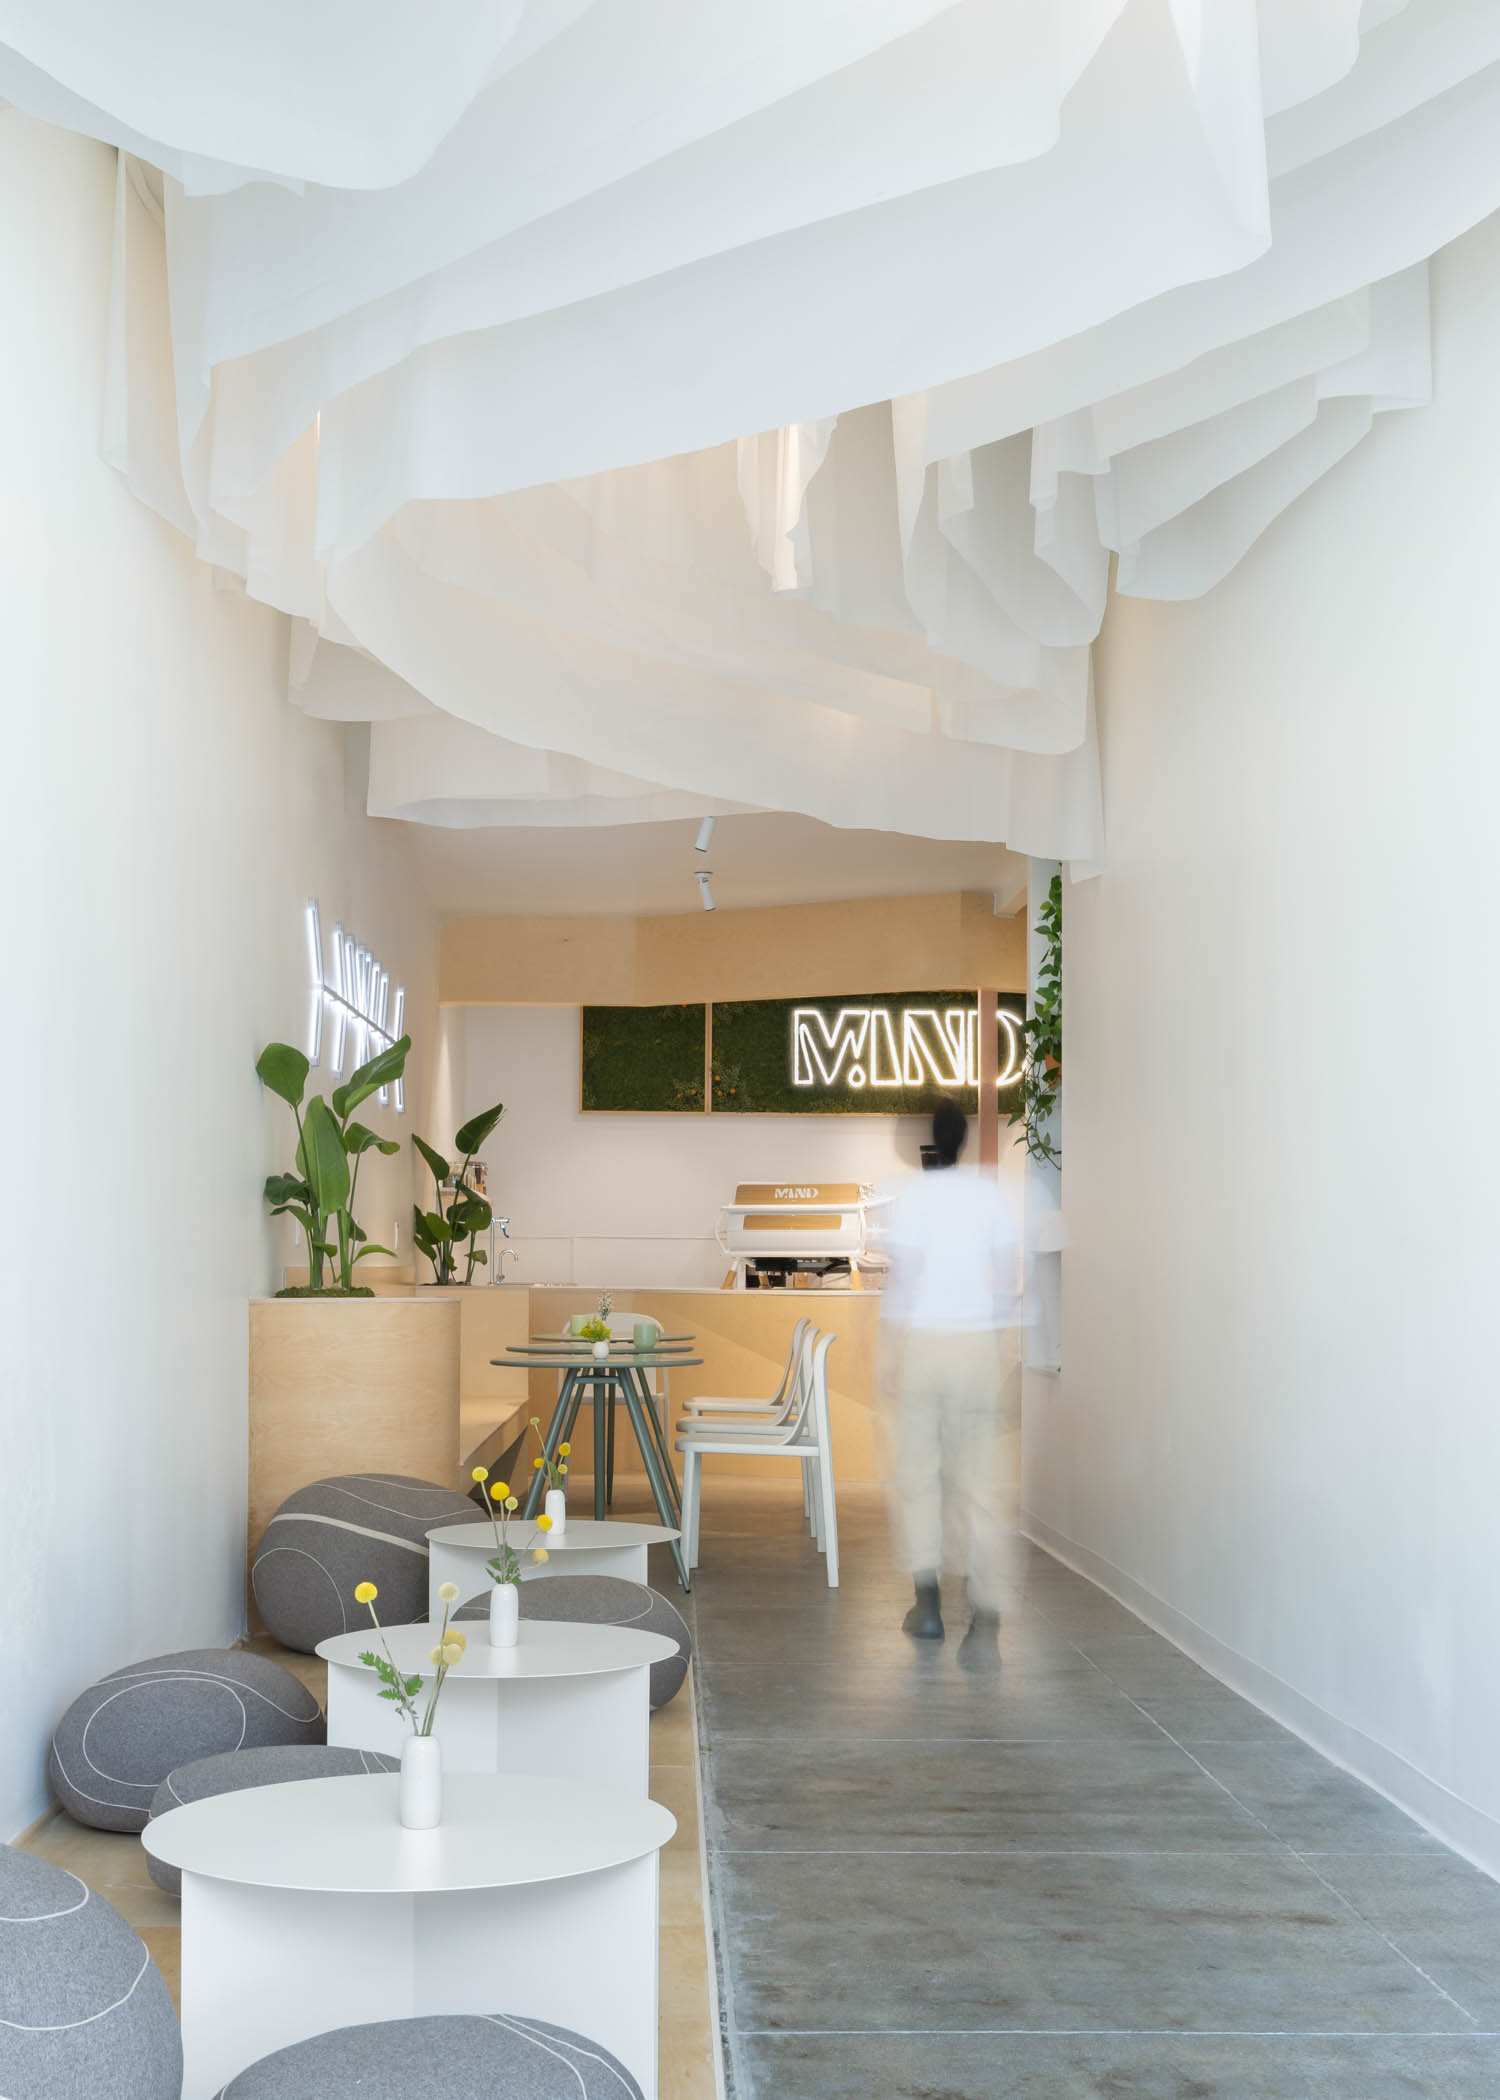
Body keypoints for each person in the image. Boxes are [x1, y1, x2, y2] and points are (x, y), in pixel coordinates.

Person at [879, 1097, 1024, 1668]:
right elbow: (1009, 1275)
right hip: (976, 1348)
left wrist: (890, 1356)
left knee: (918, 1478)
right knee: (981, 1484)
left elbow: (902, 1281)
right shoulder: (989, 1193)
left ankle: (930, 1608)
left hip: (924, 1345)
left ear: (932, 1140)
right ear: (964, 1139)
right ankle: (985, 1618)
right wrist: (1002, 1347)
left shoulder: (915, 1195)